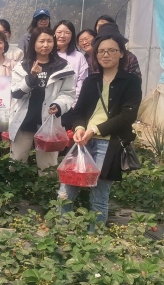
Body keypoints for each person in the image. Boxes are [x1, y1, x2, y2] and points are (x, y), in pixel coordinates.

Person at [59, 30, 142, 224]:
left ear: (121, 53)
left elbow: (128, 116)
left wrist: (95, 130)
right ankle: (61, 231)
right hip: (83, 142)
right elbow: (79, 112)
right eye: (101, 51)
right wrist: (79, 128)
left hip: (108, 143)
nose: (106, 55)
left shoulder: (131, 82)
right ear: (95, 55)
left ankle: (94, 237)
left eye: (112, 50)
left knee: (99, 196)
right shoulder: (91, 81)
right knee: (65, 191)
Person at [9, 28, 76, 170]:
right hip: (24, 123)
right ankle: (15, 185)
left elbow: (68, 93)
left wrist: (58, 105)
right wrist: (31, 77)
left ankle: (46, 185)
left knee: (48, 168)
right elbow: (15, 93)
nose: (46, 45)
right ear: (33, 43)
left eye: (49, 41)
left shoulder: (63, 67)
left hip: (48, 124)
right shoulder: (23, 66)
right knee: (16, 164)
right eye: (41, 41)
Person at [54, 20, 89, 102]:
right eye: (59, 32)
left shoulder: (79, 57)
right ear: (53, 34)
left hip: (71, 103)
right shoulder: (46, 54)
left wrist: (72, 103)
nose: (62, 36)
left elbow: (82, 83)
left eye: (67, 33)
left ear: (72, 36)